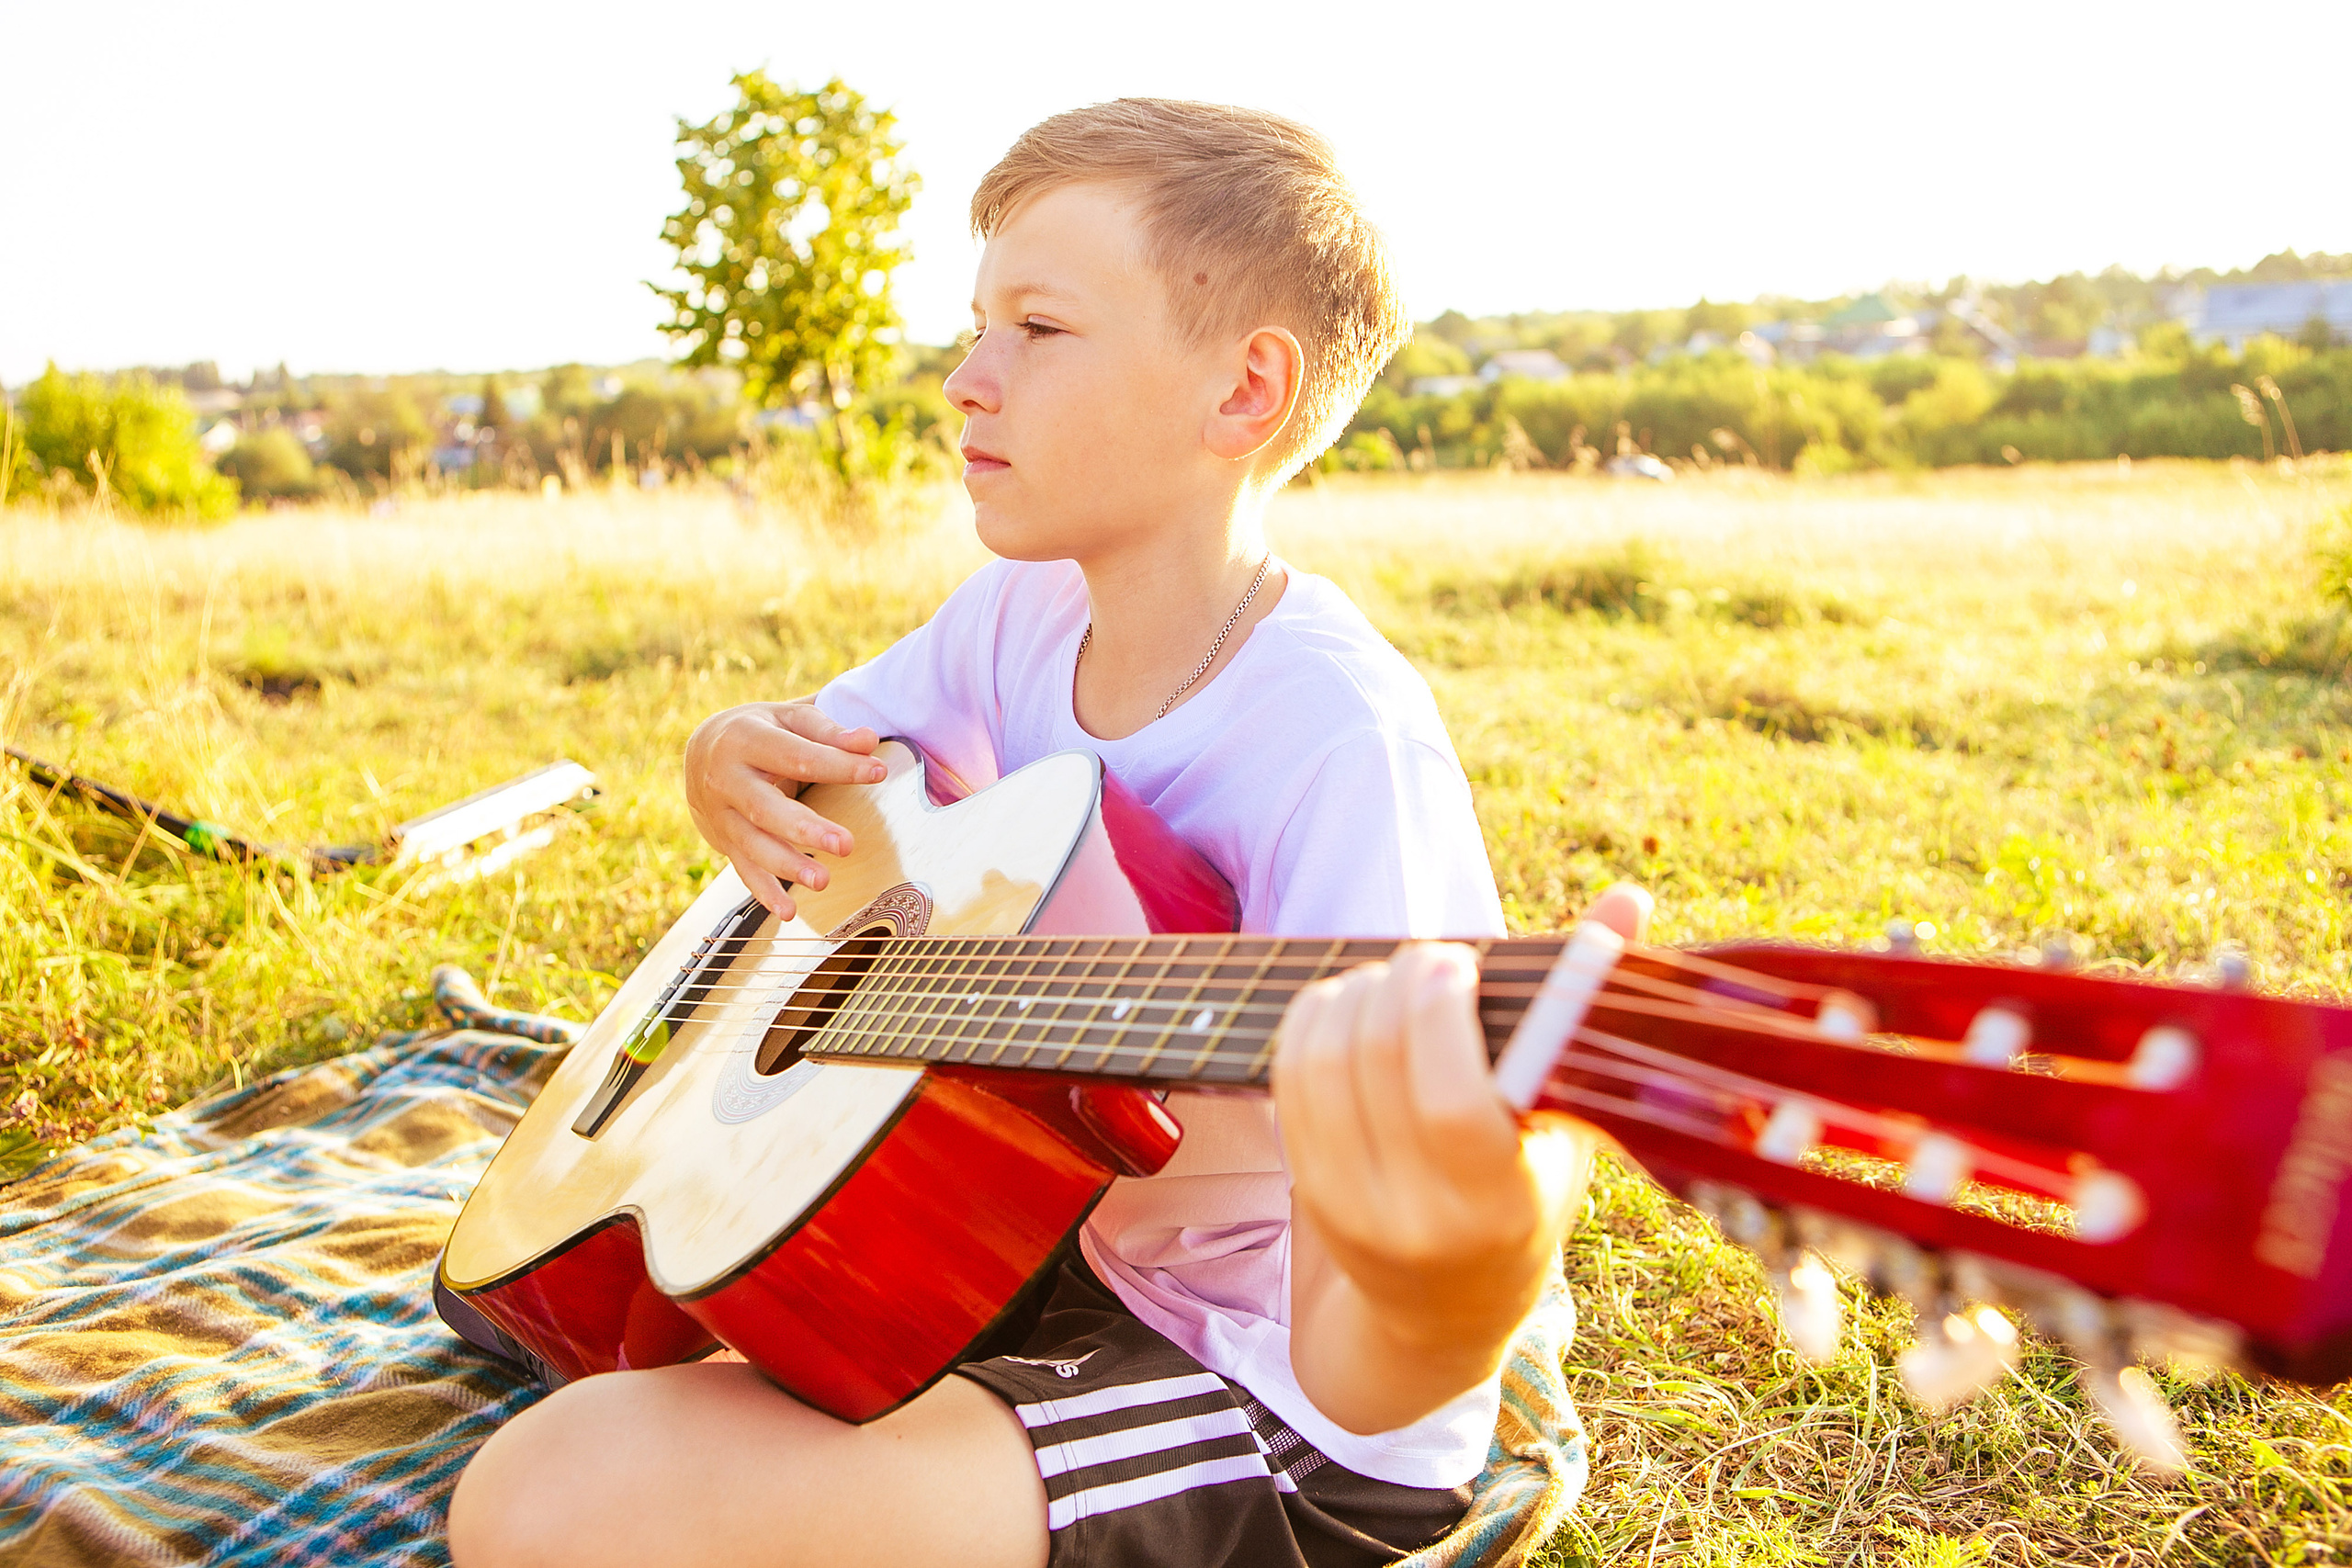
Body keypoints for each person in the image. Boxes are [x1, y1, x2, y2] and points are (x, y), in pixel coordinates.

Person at [448, 98, 1628, 1568]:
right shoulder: (1015, 615)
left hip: (1253, 1382)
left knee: (552, 1498)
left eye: (1038, 329)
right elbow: (821, 771)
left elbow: (1368, 1354)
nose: (964, 381)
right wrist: (718, 762)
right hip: (1039, 1251)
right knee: (572, 1331)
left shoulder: (1340, 742)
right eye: (977, 326)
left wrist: (1448, 1277)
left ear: (1244, 394)